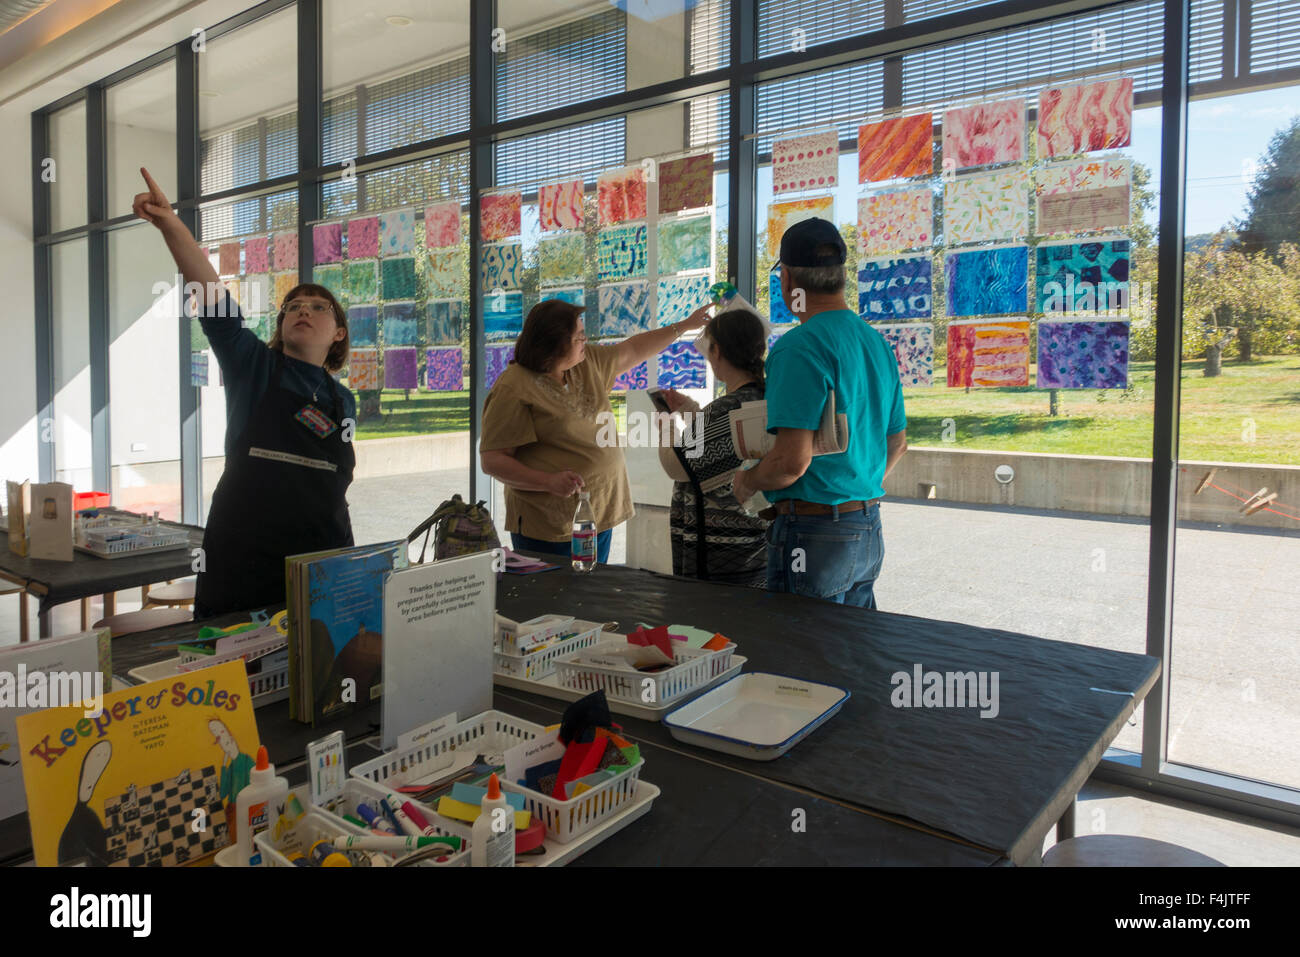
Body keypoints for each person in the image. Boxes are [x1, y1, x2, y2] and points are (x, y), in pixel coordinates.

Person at [131, 168, 356, 617]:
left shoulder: (341, 400)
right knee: (232, 667)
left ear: (338, 333)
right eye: (292, 307)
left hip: (319, 557)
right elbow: (212, 298)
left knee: (311, 670)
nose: (302, 311)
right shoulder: (253, 366)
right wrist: (172, 226)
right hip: (243, 553)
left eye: (317, 307)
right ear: (281, 326)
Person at [731, 218, 908, 607]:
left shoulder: (799, 347)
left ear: (788, 280)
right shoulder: (876, 342)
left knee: (801, 657)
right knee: (850, 656)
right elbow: (896, 443)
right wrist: (852, 488)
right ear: (841, 276)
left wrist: (748, 482)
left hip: (813, 533)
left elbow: (790, 463)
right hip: (867, 527)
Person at [481, 298, 710, 562]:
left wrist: (685, 325)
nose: (585, 340)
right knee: (556, 600)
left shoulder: (586, 363)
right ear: (553, 343)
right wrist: (547, 482)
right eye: (578, 336)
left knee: (591, 594)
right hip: (551, 525)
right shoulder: (514, 386)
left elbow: (634, 350)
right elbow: (493, 460)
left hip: (599, 510)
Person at [656, 307, 768, 587]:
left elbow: (678, 465)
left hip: (718, 552)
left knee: (712, 625)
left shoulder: (724, 409)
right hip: (756, 544)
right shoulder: (765, 398)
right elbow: (718, 451)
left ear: (717, 350)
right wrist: (689, 409)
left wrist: (667, 427)